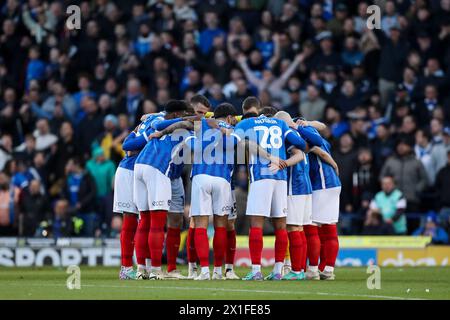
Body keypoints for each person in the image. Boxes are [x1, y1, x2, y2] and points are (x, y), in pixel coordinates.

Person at [231, 108, 308, 281]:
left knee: (256, 224)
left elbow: (232, 141)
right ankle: (278, 270)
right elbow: (301, 144)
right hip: (280, 176)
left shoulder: (247, 122)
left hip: (260, 176)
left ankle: (256, 270)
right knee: (280, 225)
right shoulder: (280, 123)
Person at [133, 100, 189, 280]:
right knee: (157, 223)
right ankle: (157, 270)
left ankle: (142, 269)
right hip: (157, 169)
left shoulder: (156, 118)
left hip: (139, 166)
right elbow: (191, 123)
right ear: (174, 115)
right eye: (182, 114)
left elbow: (150, 117)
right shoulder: (183, 129)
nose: (184, 118)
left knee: (144, 221)